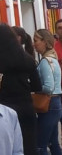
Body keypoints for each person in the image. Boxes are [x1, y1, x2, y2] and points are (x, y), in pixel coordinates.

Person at [0, 24, 41, 155]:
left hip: (4, 111)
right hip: (26, 108)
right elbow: (37, 87)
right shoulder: (27, 59)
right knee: (29, 147)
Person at [33, 29, 62, 155]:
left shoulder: (45, 61)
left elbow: (48, 87)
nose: (34, 44)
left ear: (44, 42)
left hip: (49, 103)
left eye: (36, 41)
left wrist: (33, 88)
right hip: (55, 103)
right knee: (53, 142)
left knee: (40, 145)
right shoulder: (53, 59)